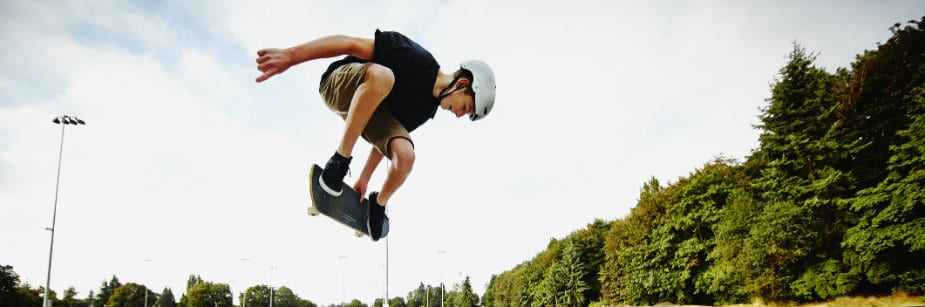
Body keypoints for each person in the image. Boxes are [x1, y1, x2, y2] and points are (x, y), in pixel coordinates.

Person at [255, 29, 496, 241]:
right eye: (464, 108)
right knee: (383, 76)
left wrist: (364, 179)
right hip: (340, 84)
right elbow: (349, 43)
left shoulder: (426, 109)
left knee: (405, 155)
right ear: (462, 83)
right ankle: (339, 161)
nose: (457, 115)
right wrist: (291, 55)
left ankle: (378, 204)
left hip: (371, 109)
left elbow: (384, 141)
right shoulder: (416, 58)